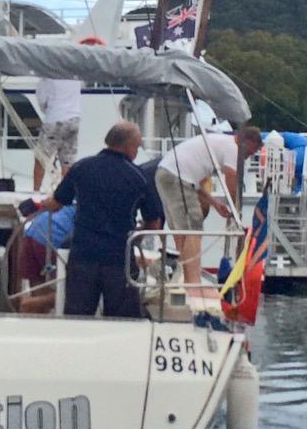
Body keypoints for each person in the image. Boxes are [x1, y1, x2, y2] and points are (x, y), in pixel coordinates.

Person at [38, 121, 161, 317]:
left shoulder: (81, 168)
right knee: (122, 320)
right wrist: (136, 236)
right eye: (137, 147)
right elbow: (153, 223)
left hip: (83, 255)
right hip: (119, 259)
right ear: (129, 147)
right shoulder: (139, 177)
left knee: (78, 317)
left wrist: (38, 203)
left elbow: (57, 203)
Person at [155, 126, 262, 291]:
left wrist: (215, 203)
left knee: (181, 230)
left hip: (165, 173)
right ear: (247, 142)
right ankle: (193, 283)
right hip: (178, 177)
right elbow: (231, 176)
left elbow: (194, 185)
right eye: (250, 152)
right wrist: (234, 208)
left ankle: (183, 276)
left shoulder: (217, 143)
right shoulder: (233, 148)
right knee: (193, 228)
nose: (247, 157)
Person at [33, 77, 82, 190]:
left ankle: (36, 190)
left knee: (41, 157)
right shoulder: (75, 75)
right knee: (67, 160)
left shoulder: (47, 77)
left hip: (55, 119)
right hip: (74, 119)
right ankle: (66, 193)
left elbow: (42, 101)